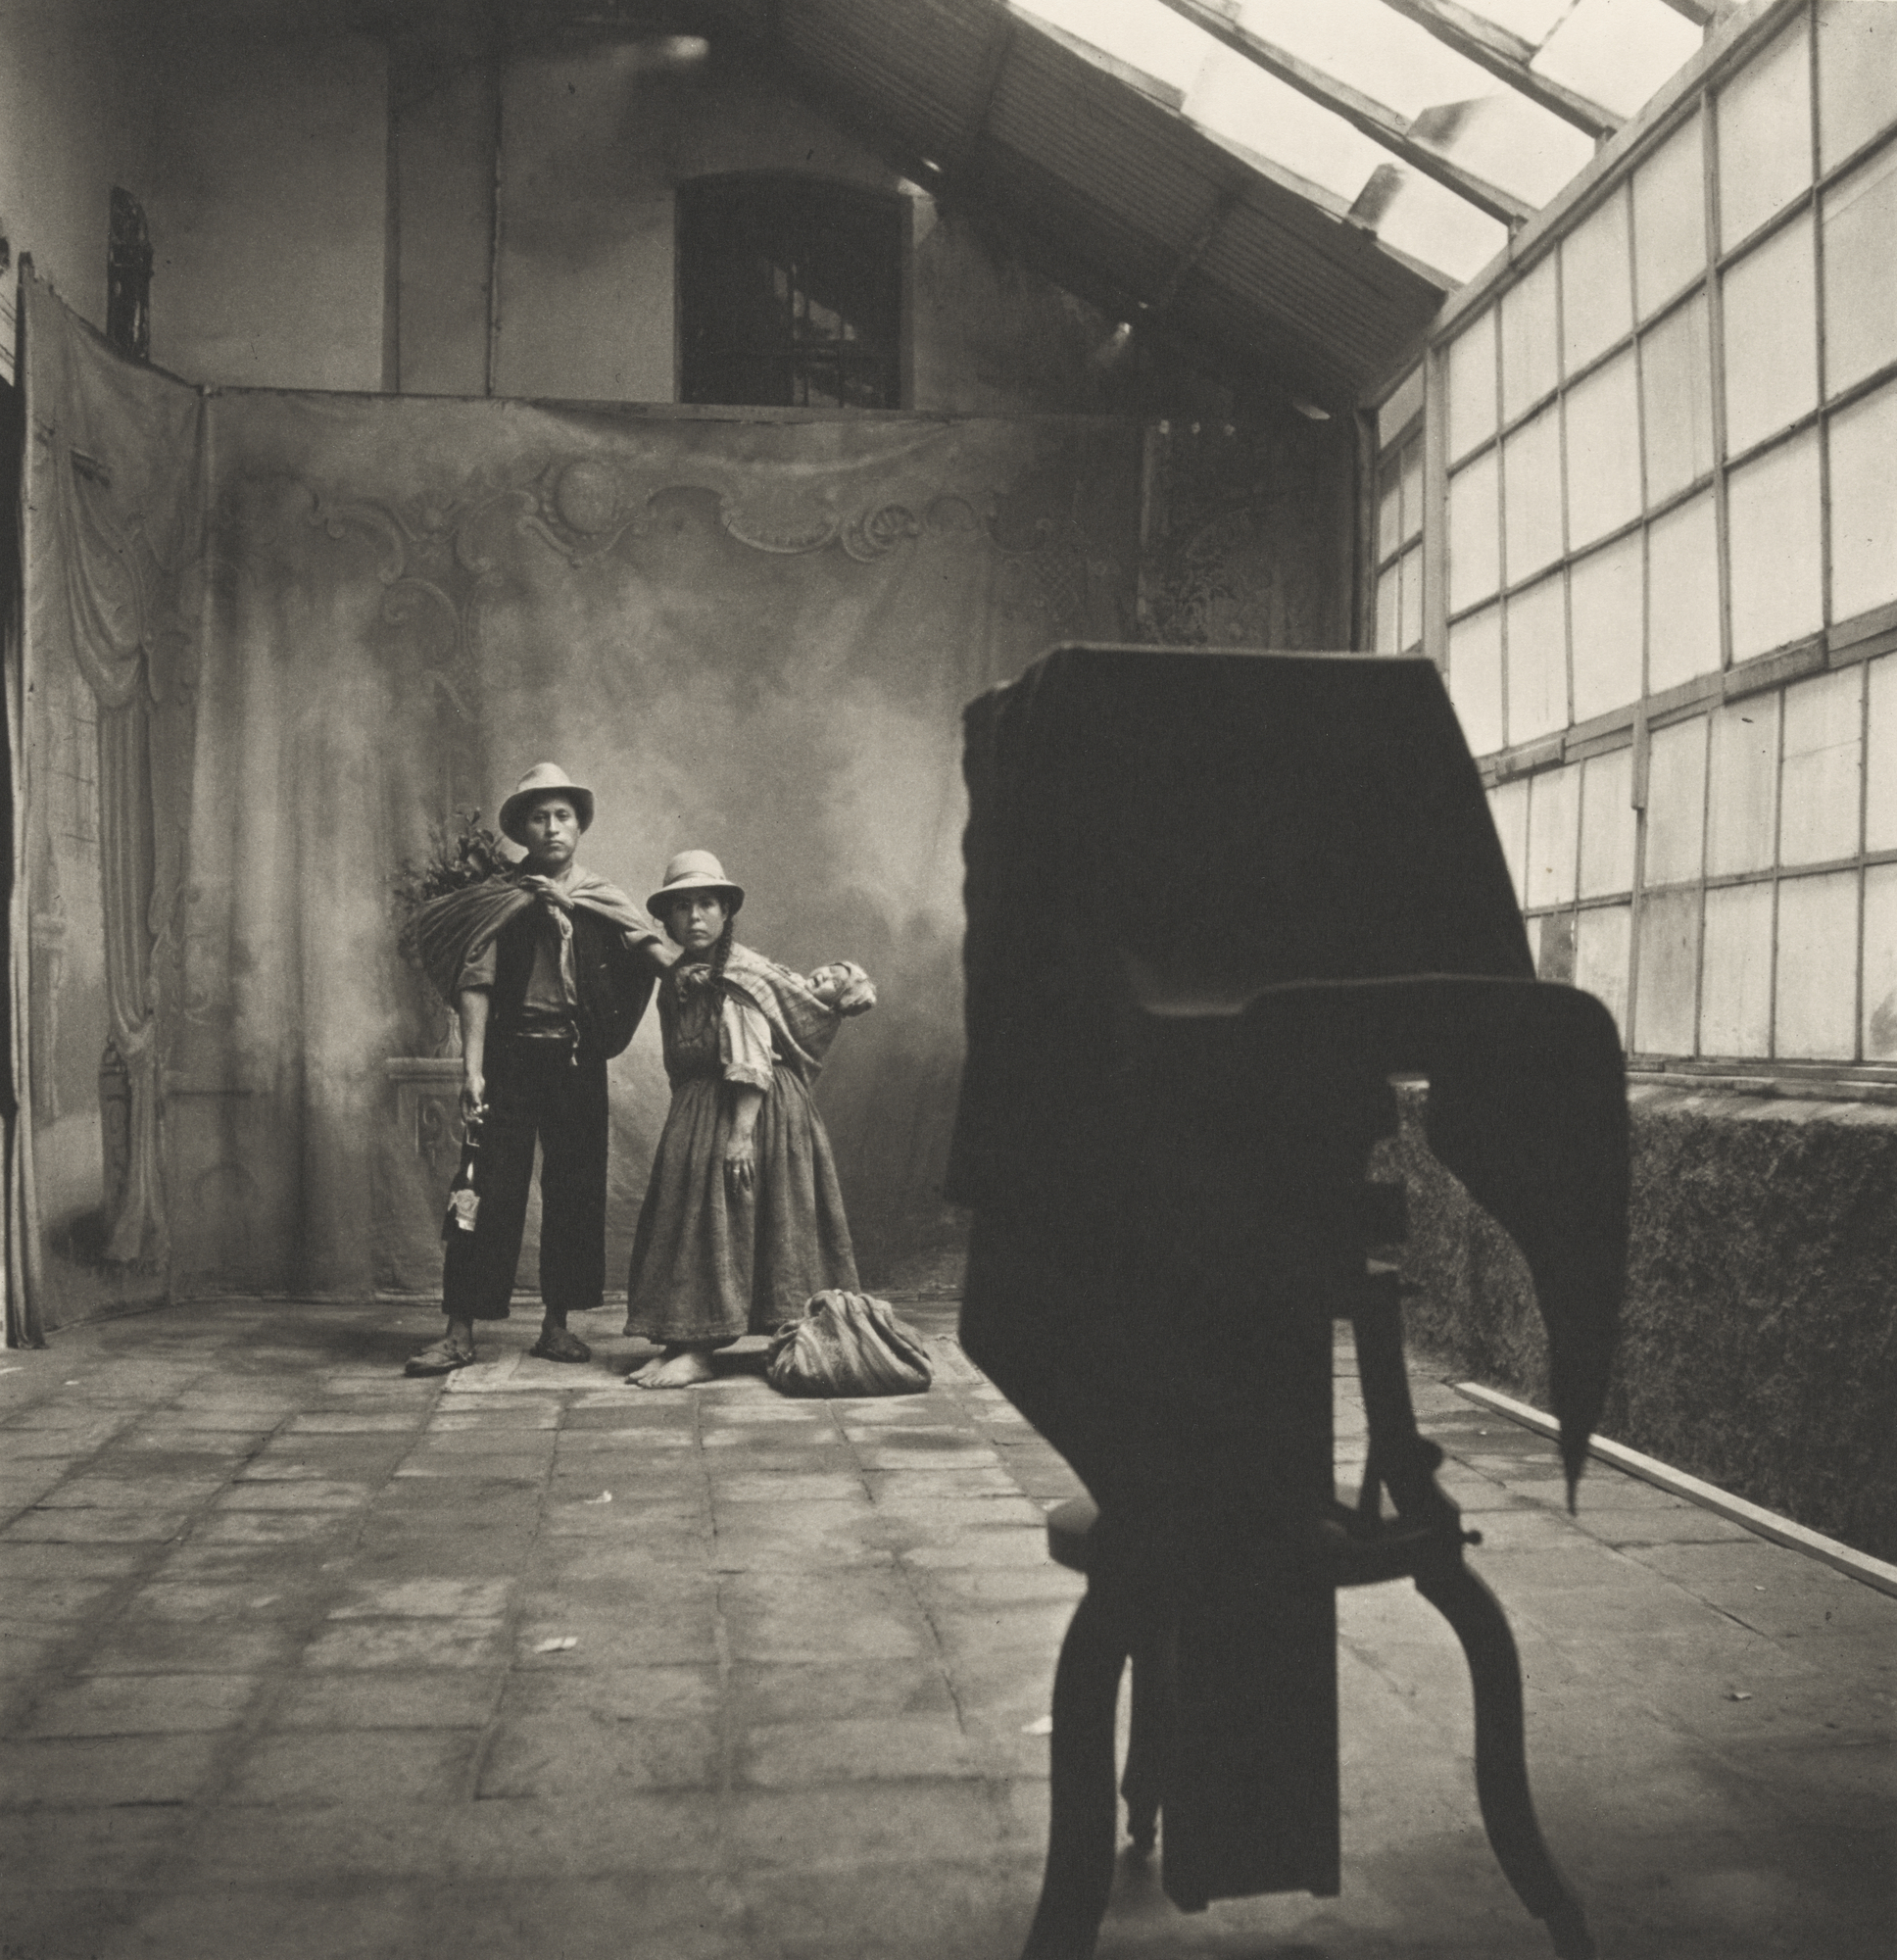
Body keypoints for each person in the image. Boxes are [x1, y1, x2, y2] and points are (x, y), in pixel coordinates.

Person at [402, 763, 678, 1376]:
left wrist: (702, 975)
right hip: (509, 1060)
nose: (552, 828)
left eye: (563, 816)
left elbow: (653, 952)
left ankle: (557, 1326)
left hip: (575, 1061)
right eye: (539, 817)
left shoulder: (601, 898)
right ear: (523, 831)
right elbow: (475, 983)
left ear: (580, 827)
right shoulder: (504, 899)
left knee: (575, 1189)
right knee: (484, 1187)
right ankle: (459, 1330)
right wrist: (471, 1071)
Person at [624, 851, 875, 1388]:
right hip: (701, 1105)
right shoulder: (682, 976)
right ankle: (679, 1339)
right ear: (666, 919)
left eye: (707, 904)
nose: (694, 917)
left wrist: (740, 1136)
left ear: (725, 913)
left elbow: (750, 1059)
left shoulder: (739, 976)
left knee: (722, 1220)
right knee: (687, 1220)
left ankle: (701, 1350)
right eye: (682, 906)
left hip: (753, 1107)